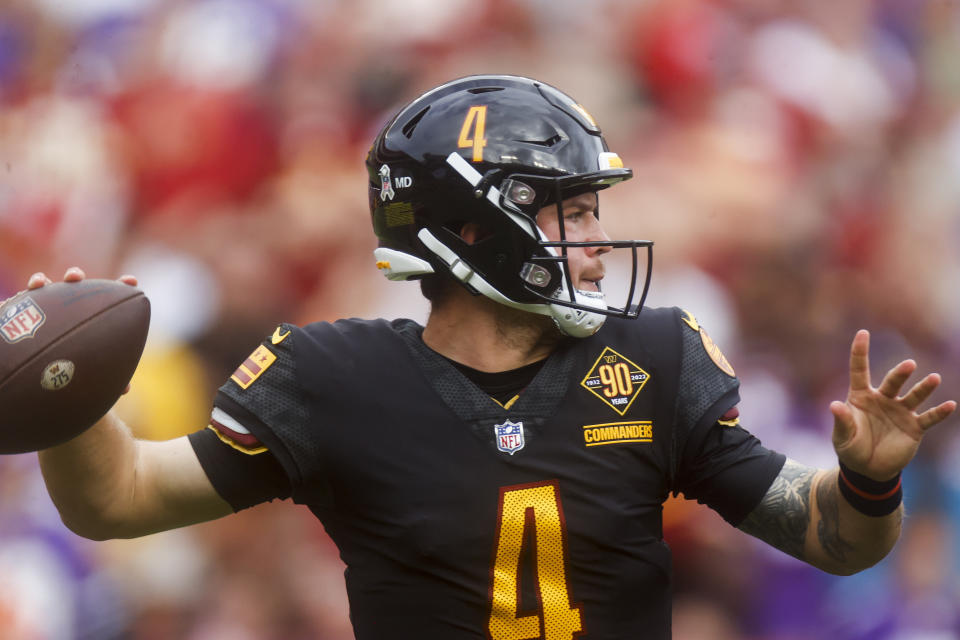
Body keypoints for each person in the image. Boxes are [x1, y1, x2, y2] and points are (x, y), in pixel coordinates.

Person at [25, 75, 956, 639]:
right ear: (472, 226)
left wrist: (867, 484)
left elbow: (831, 541)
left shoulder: (654, 359)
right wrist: (65, 392)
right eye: (571, 210)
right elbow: (117, 501)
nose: (596, 240)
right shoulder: (333, 379)